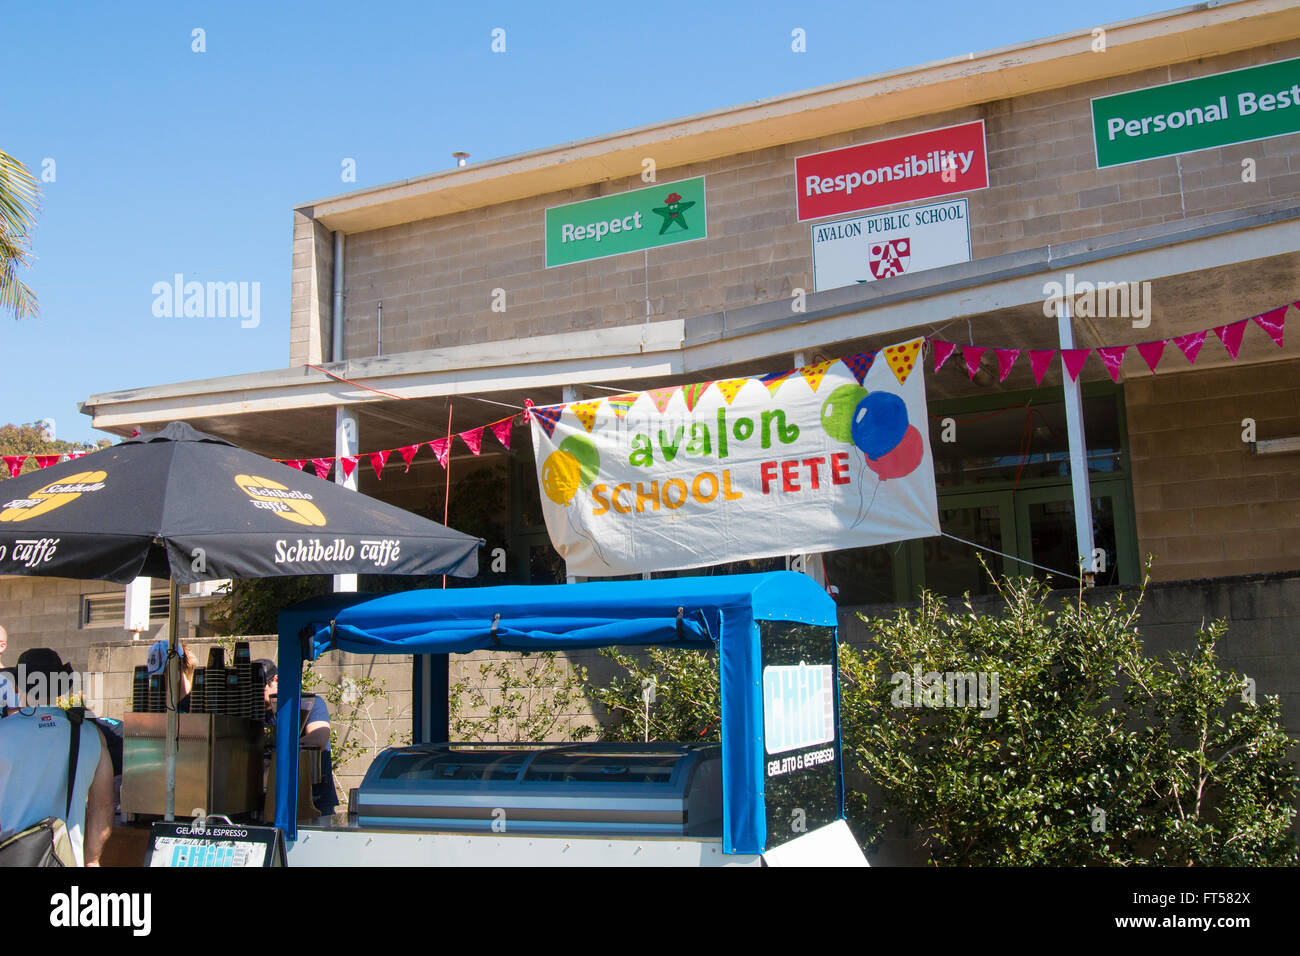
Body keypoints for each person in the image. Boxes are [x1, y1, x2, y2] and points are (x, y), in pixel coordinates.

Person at [0, 648, 114, 866]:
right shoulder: (90, 735)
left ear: (16, 687)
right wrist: (92, 859)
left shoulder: (2, 733)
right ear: (61, 688)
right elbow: (104, 804)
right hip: (65, 860)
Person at [256, 659, 338, 816]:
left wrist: (276, 750)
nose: (256, 695)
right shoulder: (257, 712)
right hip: (269, 801)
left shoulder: (308, 704)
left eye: (260, 689)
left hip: (314, 798)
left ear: (276, 680)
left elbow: (319, 739)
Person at [146, 638, 197, 711]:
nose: (157, 684)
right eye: (153, 678)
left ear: (178, 665)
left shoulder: (195, 707)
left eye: (162, 676)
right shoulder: (160, 708)